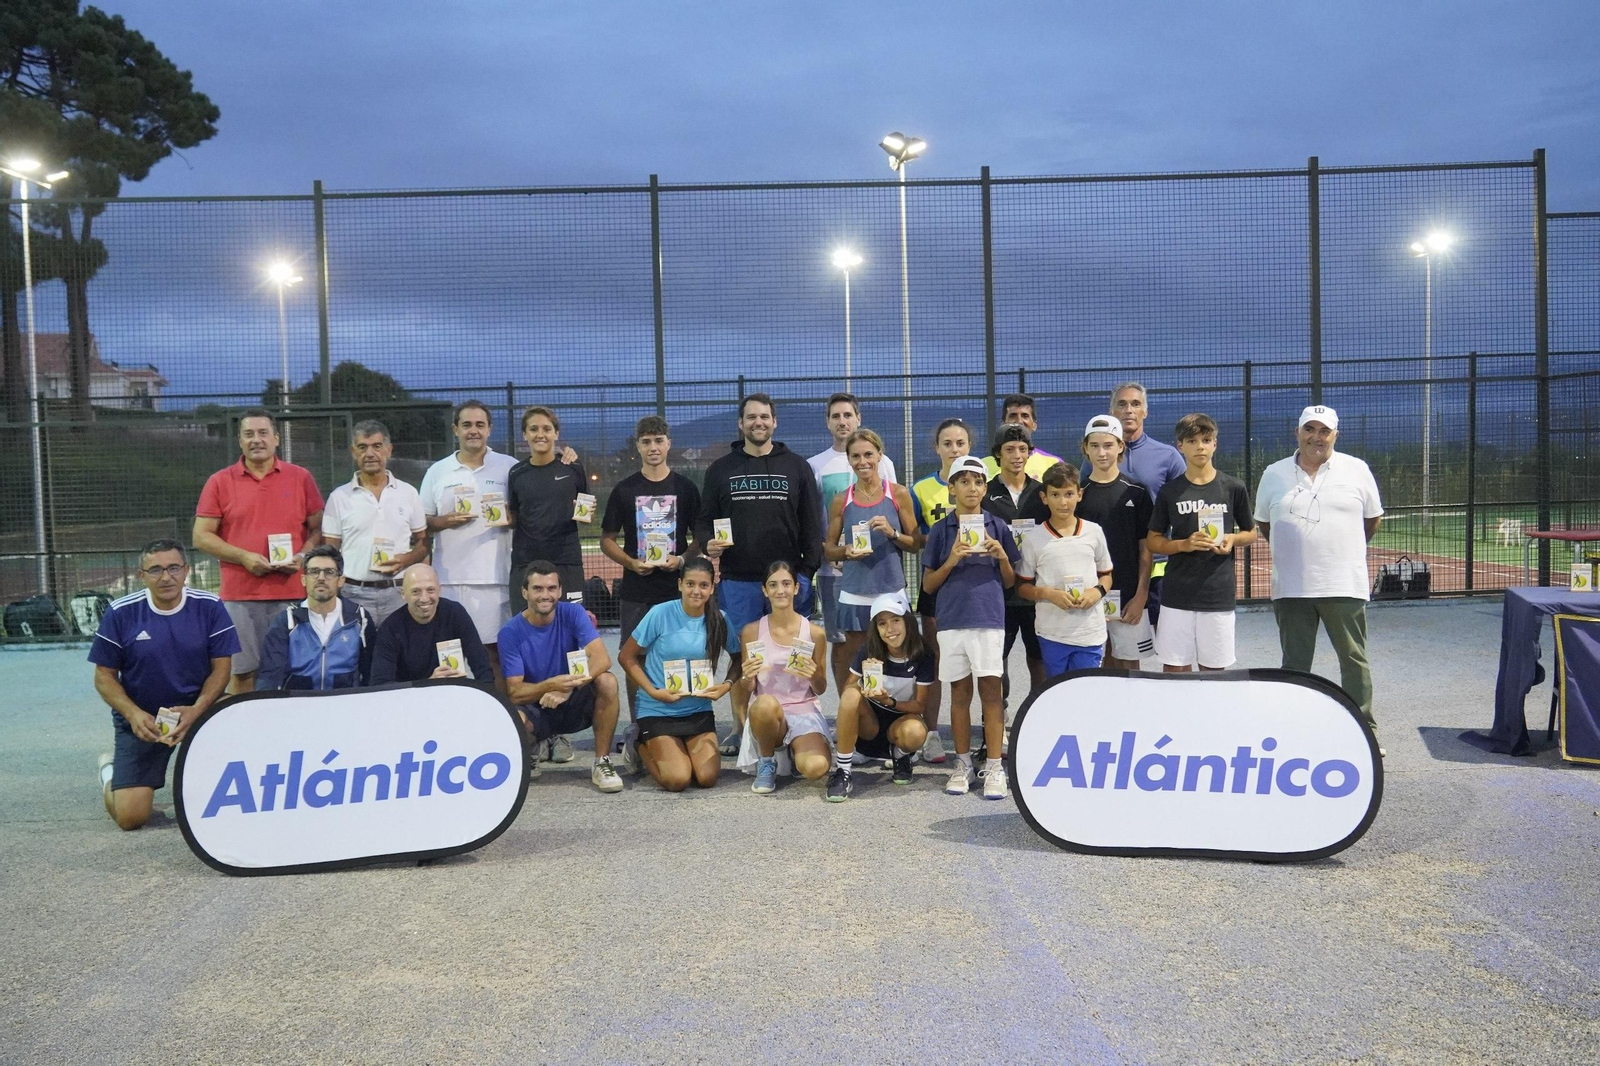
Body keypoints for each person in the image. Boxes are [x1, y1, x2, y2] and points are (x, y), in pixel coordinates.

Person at [699, 394, 824, 755]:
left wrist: (805, 574)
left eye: (765, 417)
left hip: (787, 582)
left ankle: (794, 723)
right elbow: (705, 520)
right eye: (751, 417)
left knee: (793, 654)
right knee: (744, 659)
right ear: (741, 423)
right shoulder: (720, 469)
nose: (759, 422)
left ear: (774, 422)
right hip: (738, 580)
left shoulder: (797, 467)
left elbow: (811, 526)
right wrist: (708, 542)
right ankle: (743, 731)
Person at [1255, 404, 1385, 743]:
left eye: (1324, 431)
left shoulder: (1357, 469)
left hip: (1344, 584)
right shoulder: (1274, 473)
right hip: (1292, 588)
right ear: (1297, 433)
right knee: (1295, 666)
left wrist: (1341, 549)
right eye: (1310, 429)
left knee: (1353, 661)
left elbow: (1371, 519)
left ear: (1335, 435)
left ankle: (1364, 733)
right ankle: (1294, 732)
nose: (1317, 437)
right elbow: (1264, 523)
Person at [90, 540, 238, 830]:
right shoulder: (121, 613)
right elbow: (103, 676)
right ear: (140, 575)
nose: (166, 576)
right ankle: (110, 773)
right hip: (145, 719)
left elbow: (222, 670)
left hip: (198, 710)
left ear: (186, 570)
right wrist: (133, 715)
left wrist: (196, 710)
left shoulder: (210, 607)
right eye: (155, 569)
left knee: (227, 798)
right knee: (131, 818)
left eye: (173, 568)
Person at [192, 409, 324, 693]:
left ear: (276, 439)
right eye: (249, 434)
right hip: (240, 597)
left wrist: (302, 557)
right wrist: (243, 557)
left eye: (263, 433)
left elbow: (318, 529)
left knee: (296, 670)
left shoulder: (300, 478)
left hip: (292, 593)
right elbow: (201, 536)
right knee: (243, 674)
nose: (257, 440)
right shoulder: (220, 481)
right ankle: (246, 734)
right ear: (240, 441)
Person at [921, 455, 1020, 800]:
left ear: (985, 488)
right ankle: (962, 764)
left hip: (990, 621)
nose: (972, 488)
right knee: (960, 696)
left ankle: (993, 765)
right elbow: (929, 585)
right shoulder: (940, 530)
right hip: (951, 623)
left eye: (978, 482)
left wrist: (1002, 557)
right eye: (963, 481)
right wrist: (952, 559)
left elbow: (1011, 583)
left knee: (992, 696)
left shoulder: (998, 527)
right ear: (951, 488)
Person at [601, 415, 702, 722]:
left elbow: (700, 537)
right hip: (637, 590)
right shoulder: (624, 489)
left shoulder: (685, 488)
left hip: (675, 590)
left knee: (681, 654)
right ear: (638, 446)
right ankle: (638, 724)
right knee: (635, 658)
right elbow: (607, 539)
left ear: (668, 444)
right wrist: (630, 562)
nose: (653, 447)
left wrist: (682, 559)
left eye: (659, 440)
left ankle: (684, 719)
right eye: (646, 442)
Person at [497, 562, 623, 793]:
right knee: (514, 716)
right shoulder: (509, 632)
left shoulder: (573, 613)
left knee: (607, 681)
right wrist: (550, 685)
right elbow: (515, 691)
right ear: (524, 592)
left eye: (551, 588)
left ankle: (601, 762)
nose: (545, 595)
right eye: (538, 589)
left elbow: (602, 659)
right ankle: (532, 750)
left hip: (571, 698)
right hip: (537, 706)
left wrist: (567, 688)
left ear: (560, 591)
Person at [1147, 414, 1258, 672]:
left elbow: (1251, 533)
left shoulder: (1233, 487)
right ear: (1180, 446)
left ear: (1215, 444)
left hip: (1217, 594)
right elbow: (1153, 541)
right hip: (1177, 594)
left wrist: (1232, 539)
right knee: (1174, 669)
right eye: (1192, 440)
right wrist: (1183, 544)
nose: (1200, 446)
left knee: (1213, 672)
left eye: (1206, 440)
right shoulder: (1170, 491)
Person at [419, 400, 518, 684]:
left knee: (494, 656)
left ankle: (502, 719)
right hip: (449, 580)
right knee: (449, 657)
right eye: (466, 425)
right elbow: (423, 520)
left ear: (489, 429)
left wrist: (508, 518)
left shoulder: (509, 467)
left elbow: (523, 513)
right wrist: (444, 521)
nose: (473, 431)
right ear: (455, 430)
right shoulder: (438, 471)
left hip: (495, 578)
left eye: (479, 425)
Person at [616, 557, 735, 791]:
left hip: (697, 710)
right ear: (680, 584)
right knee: (678, 779)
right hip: (658, 709)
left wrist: (726, 685)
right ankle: (638, 741)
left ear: (712, 588)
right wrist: (653, 691)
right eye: (690, 584)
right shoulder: (659, 614)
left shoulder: (719, 619)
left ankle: (677, 748)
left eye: (703, 585)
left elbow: (739, 658)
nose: (696, 591)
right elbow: (626, 657)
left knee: (706, 778)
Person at [808, 392, 898, 693]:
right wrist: (832, 552)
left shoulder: (884, 463)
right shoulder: (816, 465)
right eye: (836, 416)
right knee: (842, 641)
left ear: (858, 418)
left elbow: (893, 511)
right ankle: (848, 706)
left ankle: (883, 703)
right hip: (833, 572)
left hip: (878, 570)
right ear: (827, 423)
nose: (842, 421)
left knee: (885, 637)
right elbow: (814, 518)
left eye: (848, 415)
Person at [823, 428, 921, 691]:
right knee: (858, 664)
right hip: (855, 593)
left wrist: (893, 533)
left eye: (868, 454)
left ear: (880, 455)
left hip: (891, 591)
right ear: (849, 459)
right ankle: (857, 720)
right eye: (855, 456)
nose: (862, 461)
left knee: (898, 660)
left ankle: (897, 715)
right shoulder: (841, 500)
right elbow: (828, 549)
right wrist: (846, 552)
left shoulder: (898, 494)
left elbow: (916, 544)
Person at [1085, 383, 1188, 631]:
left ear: (1145, 411)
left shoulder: (1168, 456)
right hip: (1106, 568)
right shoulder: (1091, 460)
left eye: (1135, 404)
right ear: (1112, 411)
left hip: (1157, 569)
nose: (1129, 410)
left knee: (1162, 644)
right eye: (1122, 404)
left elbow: (1183, 509)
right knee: (1108, 645)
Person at [907, 416, 975, 765]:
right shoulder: (921, 488)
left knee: (974, 662)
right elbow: (915, 535)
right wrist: (939, 538)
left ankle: (985, 731)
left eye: (960, 443)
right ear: (937, 448)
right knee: (934, 659)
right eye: (947, 443)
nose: (954, 449)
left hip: (973, 586)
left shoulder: (979, 485)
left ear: (968, 447)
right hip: (937, 582)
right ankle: (931, 733)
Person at [825, 591, 935, 802]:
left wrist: (889, 701)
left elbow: (920, 705)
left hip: (900, 720)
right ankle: (843, 771)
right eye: (882, 623)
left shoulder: (923, 654)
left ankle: (901, 755)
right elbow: (849, 687)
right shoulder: (869, 650)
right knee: (849, 695)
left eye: (895, 620)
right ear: (876, 628)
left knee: (915, 732)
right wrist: (863, 687)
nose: (890, 629)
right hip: (870, 725)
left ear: (908, 622)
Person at [320, 420, 429, 628]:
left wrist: (406, 560)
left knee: (399, 656)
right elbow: (330, 549)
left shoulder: (408, 493)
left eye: (377, 446)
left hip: (399, 592)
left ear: (388, 450)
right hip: (353, 593)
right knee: (358, 656)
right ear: (354, 452)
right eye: (362, 447)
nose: (370, 454)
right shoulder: (339, 497)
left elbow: (423, 542)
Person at [736, 561, 830, 794]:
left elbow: (820, 688)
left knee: (816, 768)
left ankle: (794, 751)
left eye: (786, 584)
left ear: (796, 588)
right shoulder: (751, 631)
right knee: (766, 703)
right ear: (765, 590)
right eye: (773, 585)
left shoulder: (815, 633)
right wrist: (746, 677)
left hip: (803, 709)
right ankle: (766, 760)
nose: (781, 590)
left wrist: (814, 674)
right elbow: (748, 686)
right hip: (767, 713)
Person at [1016, 463, 1115, 676]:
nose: (1063, 502)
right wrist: (1046, 594)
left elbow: (1106, 576)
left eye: (1069, 494)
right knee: (1057, 693)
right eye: (1055, 495)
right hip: (1052, 634)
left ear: (1080, 494)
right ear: (1044, 498)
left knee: (1086, 693)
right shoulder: (1033, 539)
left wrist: (1096, 592)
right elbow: (1022, 586)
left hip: (1090, 634)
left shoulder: (1094, 532)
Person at [1076, 414, 1155, 669]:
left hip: (1129, 595)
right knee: (1097, 665)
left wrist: (1141, 595)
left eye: (1108, 445)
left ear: (1121, 446)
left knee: (1129, 666)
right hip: (1089, 596)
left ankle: (1132, 710)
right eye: (1095, 446)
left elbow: (1146, 549)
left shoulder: (1138, 492)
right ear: (1085, 449)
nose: (1102, 452)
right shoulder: (1077, 495)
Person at [983, 422, 1050, 702]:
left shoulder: (1042, 493)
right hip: (999, 592)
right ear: (998, 454)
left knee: (1038, 657)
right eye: (1009, 449)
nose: (1017, 455)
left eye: (1023, 449)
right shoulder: (985, 493)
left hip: (1035, 589)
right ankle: (999, 719)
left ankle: (1039, 710)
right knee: (998, 660)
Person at [256, 545, 376, 690]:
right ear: (303, 580)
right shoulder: (286, 621)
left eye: (329, 572)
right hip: (298, 703)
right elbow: (269, 676)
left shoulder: (360, 618)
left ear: (340, 580)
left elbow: (371, 672)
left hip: (345, 702)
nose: (321, 578)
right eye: (314, 572)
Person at [507, 406, 589, 614]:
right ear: (525, 434)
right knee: (527, 627)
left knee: (572, 626)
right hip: (526, 562)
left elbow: (586, 511)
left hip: (565, 560)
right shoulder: (517, 473)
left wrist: (587, 513)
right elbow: (514, 517)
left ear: (556, 433)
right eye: (534, 429)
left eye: (546, 428)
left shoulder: (573, 467)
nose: (540, 434)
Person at [369, 563, 493, 685]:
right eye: (416, 591)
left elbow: (482, 666)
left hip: (452, 694)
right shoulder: (390, 629)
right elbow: (380, 684)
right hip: (409, 699)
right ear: (403, 594)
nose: (424, 598)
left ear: (440, 590)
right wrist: (428, 684)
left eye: (430, 590)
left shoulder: (455, 614)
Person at [982, 394, 1062, 479]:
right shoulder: (983, 466)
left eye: (1025, 416)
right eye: (1013, 416)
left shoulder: (1054, 465)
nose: (1019, 421)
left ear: (1034, 425)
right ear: (1003, 424)